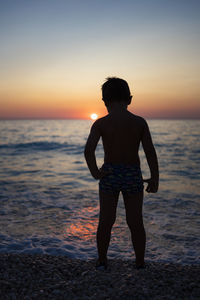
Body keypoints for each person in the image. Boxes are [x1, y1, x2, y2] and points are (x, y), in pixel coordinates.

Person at [84, 77, 159, 270]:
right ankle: (140, 262)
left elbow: (89, 150)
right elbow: (150, 151)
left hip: (109, 173)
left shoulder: (101, 124)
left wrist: (95, 172)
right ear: (130, 99)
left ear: (105, 101)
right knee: (135, 221)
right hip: (132, 174)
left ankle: (102, 260)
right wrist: (155, 177)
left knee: (106, 221)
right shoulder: (139, 122)